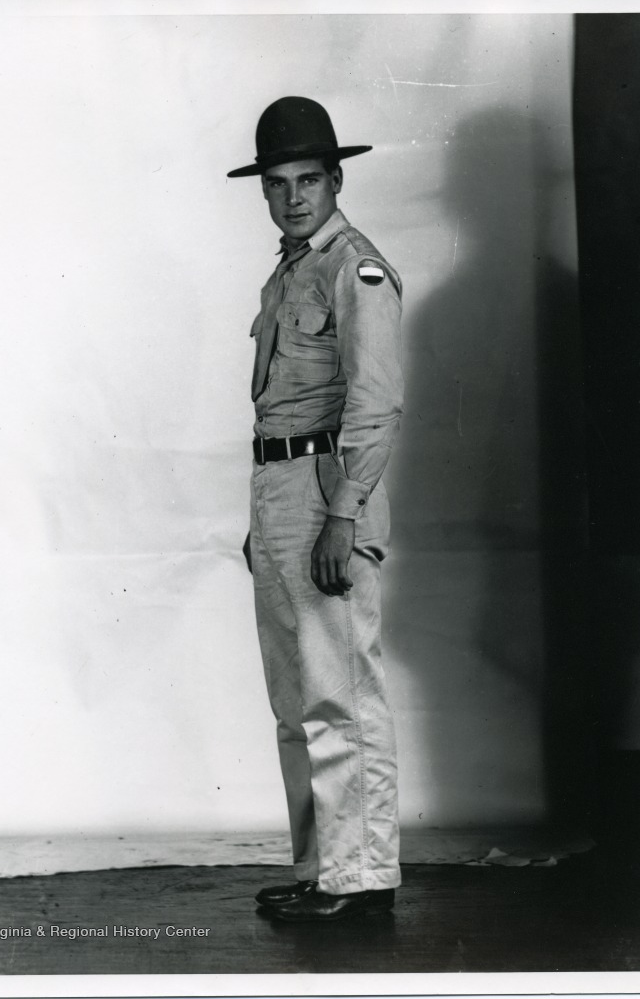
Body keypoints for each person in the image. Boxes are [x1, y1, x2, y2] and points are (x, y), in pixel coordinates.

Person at [228, 96, 404, 922]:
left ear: (335, 180)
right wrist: (269, 516)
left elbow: (374, 403)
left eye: (307, 179)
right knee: (295, 700)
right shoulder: (290, 269)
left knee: (340, 693)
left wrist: (341, 516)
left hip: (327, 492)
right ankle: (321, 871)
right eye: (276, 183)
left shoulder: (353, 267)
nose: (293, 196)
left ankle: (360, 879)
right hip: (278, 493)